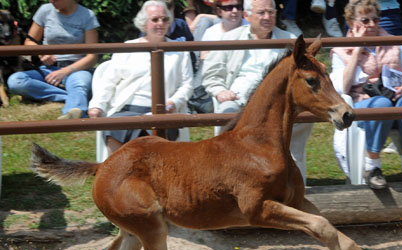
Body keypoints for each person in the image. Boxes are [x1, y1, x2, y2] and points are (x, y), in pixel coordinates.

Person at [202, 0, 314, 184]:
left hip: (278, 107)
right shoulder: (230, 38)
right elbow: (211, 74)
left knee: (303, 116)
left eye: (271, 12)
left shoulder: (290, 40)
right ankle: (225, 178)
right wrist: (220, 90)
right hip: (238, 100)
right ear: (247, 16)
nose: (267, 17)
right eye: (261, 13)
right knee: (226, 111)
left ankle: (294, 181)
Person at [331, 0, 402, 189]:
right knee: (381, 104)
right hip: (362, 105)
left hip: (397, 101)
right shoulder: (340, 50)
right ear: (352, 22)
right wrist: (358, 48)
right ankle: (373, 166)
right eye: (365, 20)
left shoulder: (394, 43)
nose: (371, 25)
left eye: (375, 20)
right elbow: (343, 88)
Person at [88, 0, 193, 154]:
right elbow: (108, 82)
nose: (160, 23)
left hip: (162, 112)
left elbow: (187, 85)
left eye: (164, 19)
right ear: (144, 24)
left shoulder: (180, 52)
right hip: (126, 110)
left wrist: (172, 103)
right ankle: (115, 175)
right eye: (155, 19)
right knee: (113, 129)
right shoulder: (128, 48)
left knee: (156, 133)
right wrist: (97, 106)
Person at [7, 0, 99, 120]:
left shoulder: (87, 15)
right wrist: (41, 52)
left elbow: (92, 57)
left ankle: (72, 113)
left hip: (76, 69)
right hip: (47, 69)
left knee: (79, 83)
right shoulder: (45, 10)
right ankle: (73, 97)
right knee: (15, 81)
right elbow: (29, 42)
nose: (51, 1)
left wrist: (65, 71)